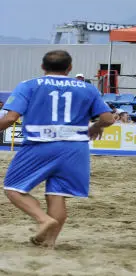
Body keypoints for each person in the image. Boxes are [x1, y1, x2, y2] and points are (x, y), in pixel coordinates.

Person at [0, 50, 115, 248]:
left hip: (40, 145)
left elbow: (10, 118)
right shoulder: (86, 88)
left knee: (13, 189)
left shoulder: (29, 85)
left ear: (43, 67)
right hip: (75, 148)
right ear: (69, 68)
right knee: (57, 194)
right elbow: (107, 119)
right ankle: (49, 243)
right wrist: (95, 127)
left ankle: (43, 220)